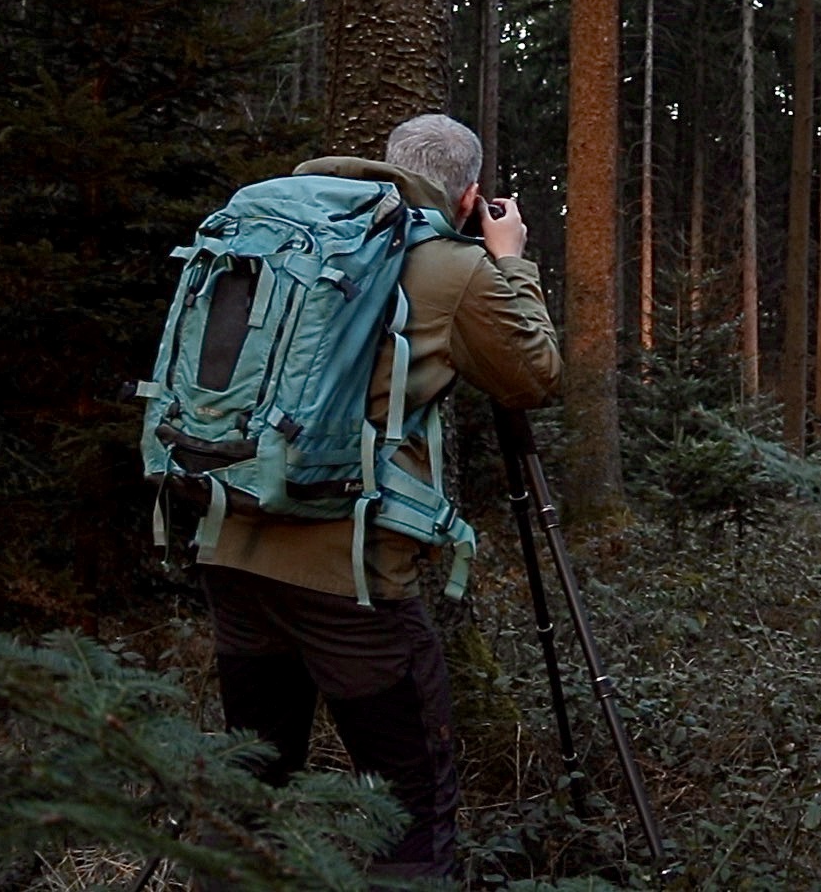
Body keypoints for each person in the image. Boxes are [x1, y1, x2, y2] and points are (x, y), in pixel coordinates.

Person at [195, 113, 561, 882]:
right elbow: (533, 376)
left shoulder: (272, 226)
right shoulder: (450, 266)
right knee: (407, 813)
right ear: (468, 197)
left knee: (249, 790)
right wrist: (512, 261)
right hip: (351, 582)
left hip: (232, 543)